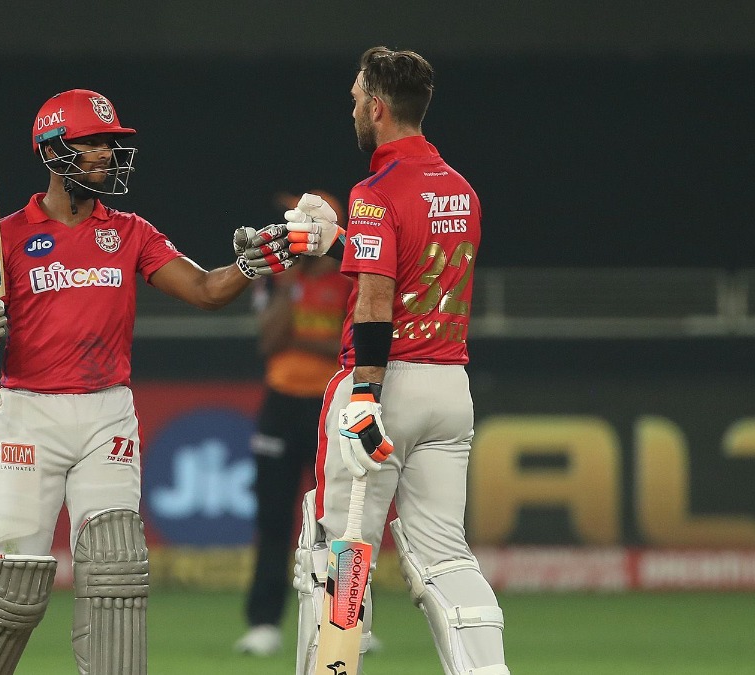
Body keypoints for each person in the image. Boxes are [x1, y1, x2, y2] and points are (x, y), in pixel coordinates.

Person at [0, 88, 297, 675]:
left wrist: (249, 265)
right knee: (13, 589)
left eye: (110, 144)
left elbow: (206, 290)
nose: (107, 154)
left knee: (116, 571)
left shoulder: (131, 231)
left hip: (107, 414)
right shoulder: (3, 235)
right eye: (93, 143)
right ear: (53, 151)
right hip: (27, 414)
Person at [283, 47, 512, 674]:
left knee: (338, 555)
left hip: (385, 387)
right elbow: (415, 266)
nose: (353, 109)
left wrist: (365, 395)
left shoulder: (375, 191)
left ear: (378, 108)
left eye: (358, 99)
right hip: (450, 388)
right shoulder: (460, 189)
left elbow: (378, 297)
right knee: (444, 555)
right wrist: (336, 241)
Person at [234, 193, 352, 658]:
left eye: (304, 228)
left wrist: (302, 339)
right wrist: (288, 283)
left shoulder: (350, 277)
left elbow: (346, 346)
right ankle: (264, 623)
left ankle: (346, 618)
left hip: (332, 405)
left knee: (341, 519)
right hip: (281, 405)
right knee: (273, 518)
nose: (294, 237)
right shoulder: (276, 279)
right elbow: (269, 341)